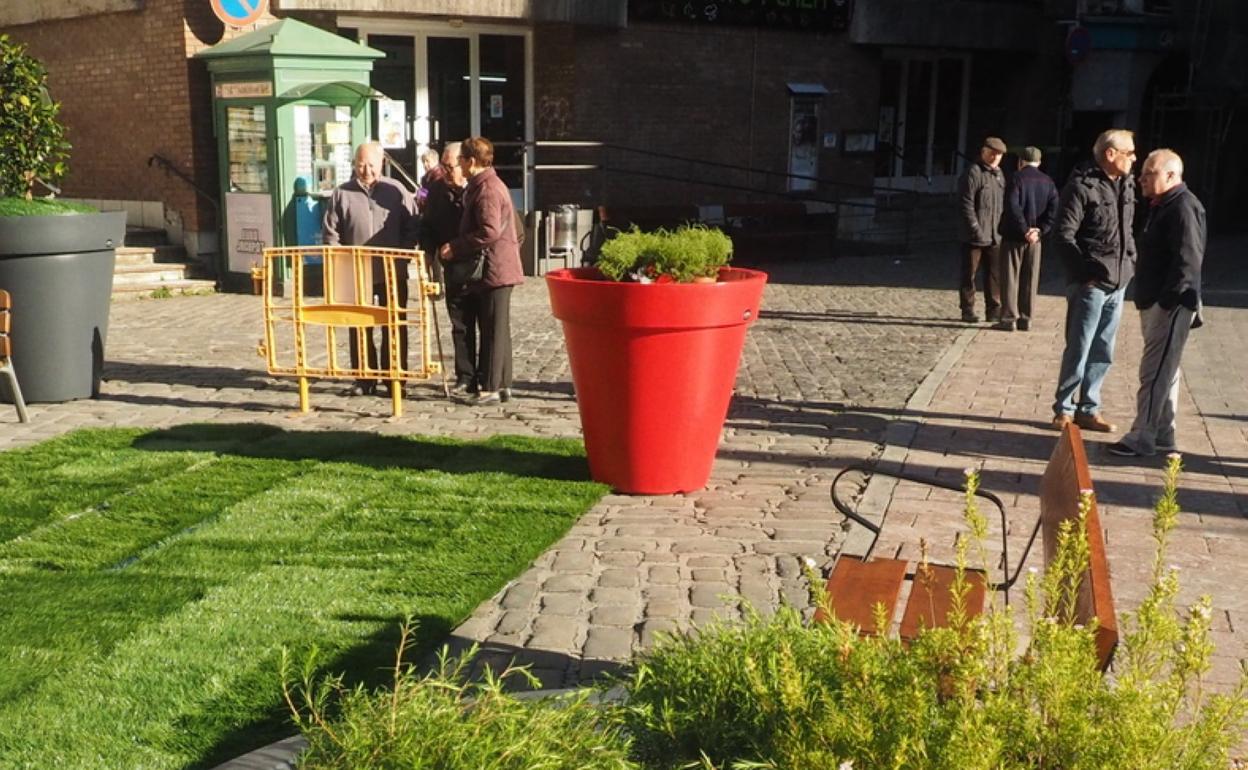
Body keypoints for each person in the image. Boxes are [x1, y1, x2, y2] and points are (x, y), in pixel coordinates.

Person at [1107, 149, 1205, 457]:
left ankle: (1142, 435)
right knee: (1166, 370)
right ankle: (1163, 432)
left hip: (1171, 304)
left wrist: (1167, 303)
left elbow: (1188, 261)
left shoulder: (1183, 207)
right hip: (1156, 301)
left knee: (1154, 371)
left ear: (1171, 175)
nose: (1142, 178)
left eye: (1150, 173)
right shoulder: (1164, 205)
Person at [1050, 129, 1138, 433]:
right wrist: (1083, 274)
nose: (1134, 158)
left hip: (1119, 281)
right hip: (1091, 283)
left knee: (1104, 349)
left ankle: (1089, 407)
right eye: (1129, 152)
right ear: (1110, 154)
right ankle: (1064, 407)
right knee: (1079, 346)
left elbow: (1129, 228)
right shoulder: (1080, 187)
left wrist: (1131, 261)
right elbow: (1062, 236)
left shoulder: (1126, 184)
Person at [322, 141, 419, 397]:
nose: (366, 170)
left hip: (391, 271)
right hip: (355, 272)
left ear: (382, 164)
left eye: (371, 165)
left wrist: (402, 258)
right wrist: (340, 261)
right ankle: (364, 378)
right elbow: (331, 232)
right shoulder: (341, 193)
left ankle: (396, 378)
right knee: (358, 325)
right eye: (361, 165)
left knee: (395, 325)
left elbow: (412, 228)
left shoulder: (396, 190)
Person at [438, 136, 524, 404]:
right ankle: (504, 384)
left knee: (493, 328)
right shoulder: (486, 184)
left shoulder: (487, 188)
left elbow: (489, 231)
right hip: (497, 267)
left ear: (471, 161)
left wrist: (456, 246)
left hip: (495, 269)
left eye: (462, 160)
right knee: (498, 326)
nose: (459, 165)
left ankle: (490, 388)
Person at [420, 142, 477, 394]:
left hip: (480, 265)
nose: (445, 171)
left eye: (450, 166)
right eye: (442, 166)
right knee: (460, 324)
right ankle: (465, 375)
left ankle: (485, 374)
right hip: (453, 266)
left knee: (485, 323)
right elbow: (428, 226)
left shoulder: (478, 189)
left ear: (464, 163)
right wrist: (429, 258)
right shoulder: (436, 191)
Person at [996, 146, 1058, 332]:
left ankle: (1008, 318)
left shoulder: (1016, 178)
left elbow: (1012, 206)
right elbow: (1054, 210)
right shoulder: (1048, 182)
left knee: (1010, 277)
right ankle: (1026, 318)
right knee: (1030, 278)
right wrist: (1039, 231)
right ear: (1039, 162)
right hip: (1035, 239)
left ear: (1021, 161)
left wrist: (1024, 229)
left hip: (1014, 237)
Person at [957, 136, 1007, 323]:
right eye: (992, 153)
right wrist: (975, 228)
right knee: (969, 274)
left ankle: (993, 309)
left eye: (999, 155)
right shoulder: (973, 172)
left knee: (994, 275)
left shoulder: (999, 174)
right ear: (983, 152)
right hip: (974, 235)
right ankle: (967, 309)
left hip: (995, 234)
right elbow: (966, 204)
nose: (995, 157)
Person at [415, 147, 443, 213]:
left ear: (435, 161)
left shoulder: (439, 176)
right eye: (423, 161)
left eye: (427, 161)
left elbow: (429, 194)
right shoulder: (426, 177)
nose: (425, 164)